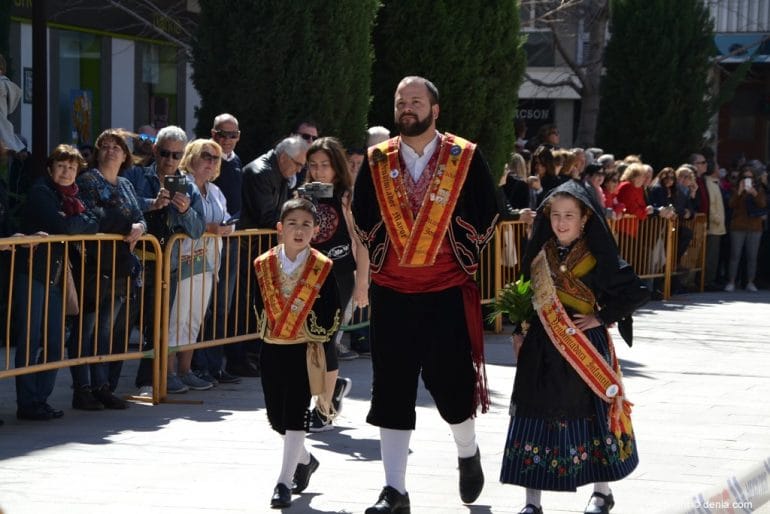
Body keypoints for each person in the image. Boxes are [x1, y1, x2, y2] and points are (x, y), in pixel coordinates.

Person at [352, 76, 498, 513]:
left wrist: (441, 236)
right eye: (400, 102)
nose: (407, 108)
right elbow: (362, 213)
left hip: (445, 290)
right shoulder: (378, 161)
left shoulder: (464, 156)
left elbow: (488, 209)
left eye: (415, 101)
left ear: (435, 109)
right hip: (393, 292)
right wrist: (388, 245)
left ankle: (467, 451)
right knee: (391, 389)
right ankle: (394, 489)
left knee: (451, 387)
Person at [500, 180, 649, 514]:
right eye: (555, 215)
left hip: (584, 346)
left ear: (585, 219)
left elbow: (637, 291)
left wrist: (602, 316)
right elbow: (526, 295)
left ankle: (601, 493)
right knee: (532, 416)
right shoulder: (540, 254)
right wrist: (519, 331)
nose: (561, 222)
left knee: (593, 418)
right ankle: (531, 502)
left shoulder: (599, 257)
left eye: (570, 215)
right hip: (541, 347)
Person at [254, 198, 341, 509]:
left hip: (305, 351)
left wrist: (315, 334)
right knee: (277, 419)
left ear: (316, 230)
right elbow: (257, 304)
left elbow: (333, 308)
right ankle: (305, 460)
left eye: (306, 224)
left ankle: (282, 482)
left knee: (294, 416)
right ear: (280, 228)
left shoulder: (322, 265)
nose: (299, 230)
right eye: (293, 223)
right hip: (272, 348)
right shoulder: (263, 264)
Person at [12, 145, 101, 420]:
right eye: (61, 166)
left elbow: (95, 220)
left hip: (59, 273)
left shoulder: (75, 195)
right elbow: (61, 226)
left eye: (72, 167)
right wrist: (73, 221)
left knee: (54, 341)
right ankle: (27, 402)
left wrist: (75, 220)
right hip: (34, 271)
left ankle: (42, 398)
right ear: (51, 168)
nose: (66, 172)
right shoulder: (42, 191)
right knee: (30, 338)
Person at [123, 125, 206, 395]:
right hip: (133, 262)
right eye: (165, 153)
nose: (169, 160)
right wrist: (152, 203)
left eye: (176, 155)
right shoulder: (136, 174)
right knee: (120, 324)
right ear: (155, 150)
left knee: (156, 325)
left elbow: (198, 229)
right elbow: (124, 205)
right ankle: (102, 384)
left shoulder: (189, 186)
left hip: (165, 265)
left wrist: (184, 211)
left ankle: (147, 380)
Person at [72, 129, 146, 410]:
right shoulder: (88, 180)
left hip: (118, 267)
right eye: (105, 146)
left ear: (125, 155)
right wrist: (128, 225)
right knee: (85, 330)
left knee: (105, 330)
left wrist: (139, 227)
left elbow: (138, 216)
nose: (111, 150)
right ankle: (82, 388)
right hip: (92, 266)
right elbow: (97, 218)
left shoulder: (126, 184)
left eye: (117, 147)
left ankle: (101, 386)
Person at [302, 137, 370, 431]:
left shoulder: (347, 197)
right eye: (313, 165)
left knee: (324, 340)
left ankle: (324, 408)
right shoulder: (303, 194)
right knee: (305, 342)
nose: (319, 172)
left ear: (336, 167)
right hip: (306, 275)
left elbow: (361, 242)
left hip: (339, 276)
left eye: (325, 166)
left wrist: (363, 283)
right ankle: (332, 387)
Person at [231, 135, 309, 378]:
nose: (299, 169)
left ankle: (254, 354)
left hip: (264, 250)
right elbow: (268, 215)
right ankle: (238, 358)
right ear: (284, 157)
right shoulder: (260, 172)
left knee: (259, 302)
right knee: (242, 304)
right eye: (297, 164)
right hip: (248, 248)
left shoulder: (283, 174)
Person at [163, 139, 232, 393]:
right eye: (206, 156)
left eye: (216, 158)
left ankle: (186, 370)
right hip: (183, 259)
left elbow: (225, 221)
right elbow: (191, 226)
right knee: (176, 318)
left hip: (208, 261)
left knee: (194, 318)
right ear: (191, 157)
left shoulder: (215, 191)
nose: (212, 162)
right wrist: (211, 228)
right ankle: (168, 373)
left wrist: (220, 228)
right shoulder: (185, 186)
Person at [192, 113, 244, 385]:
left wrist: (229, 226)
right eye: (222, 135)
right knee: (202, 307)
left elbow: (232, 207)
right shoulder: (200, 171)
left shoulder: (235, 163)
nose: (227, 140)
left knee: (222, 305)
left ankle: (215, 365)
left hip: (227, 244)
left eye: (233, 135)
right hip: (198, 249)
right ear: (212, 134)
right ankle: (198, 365)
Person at [724, 165, 766, 292]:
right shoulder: (736, 188)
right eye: (745, 177)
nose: (747, 179)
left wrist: (754, 193)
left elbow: (762, 204)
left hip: (755, 227)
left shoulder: (759, 189)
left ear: (754, 178)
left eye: (750, 177)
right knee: (735, 255)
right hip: (738, 226)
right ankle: (731, 282)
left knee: (752, 257)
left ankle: (750, 282)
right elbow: (731, 204)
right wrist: (739, 191)